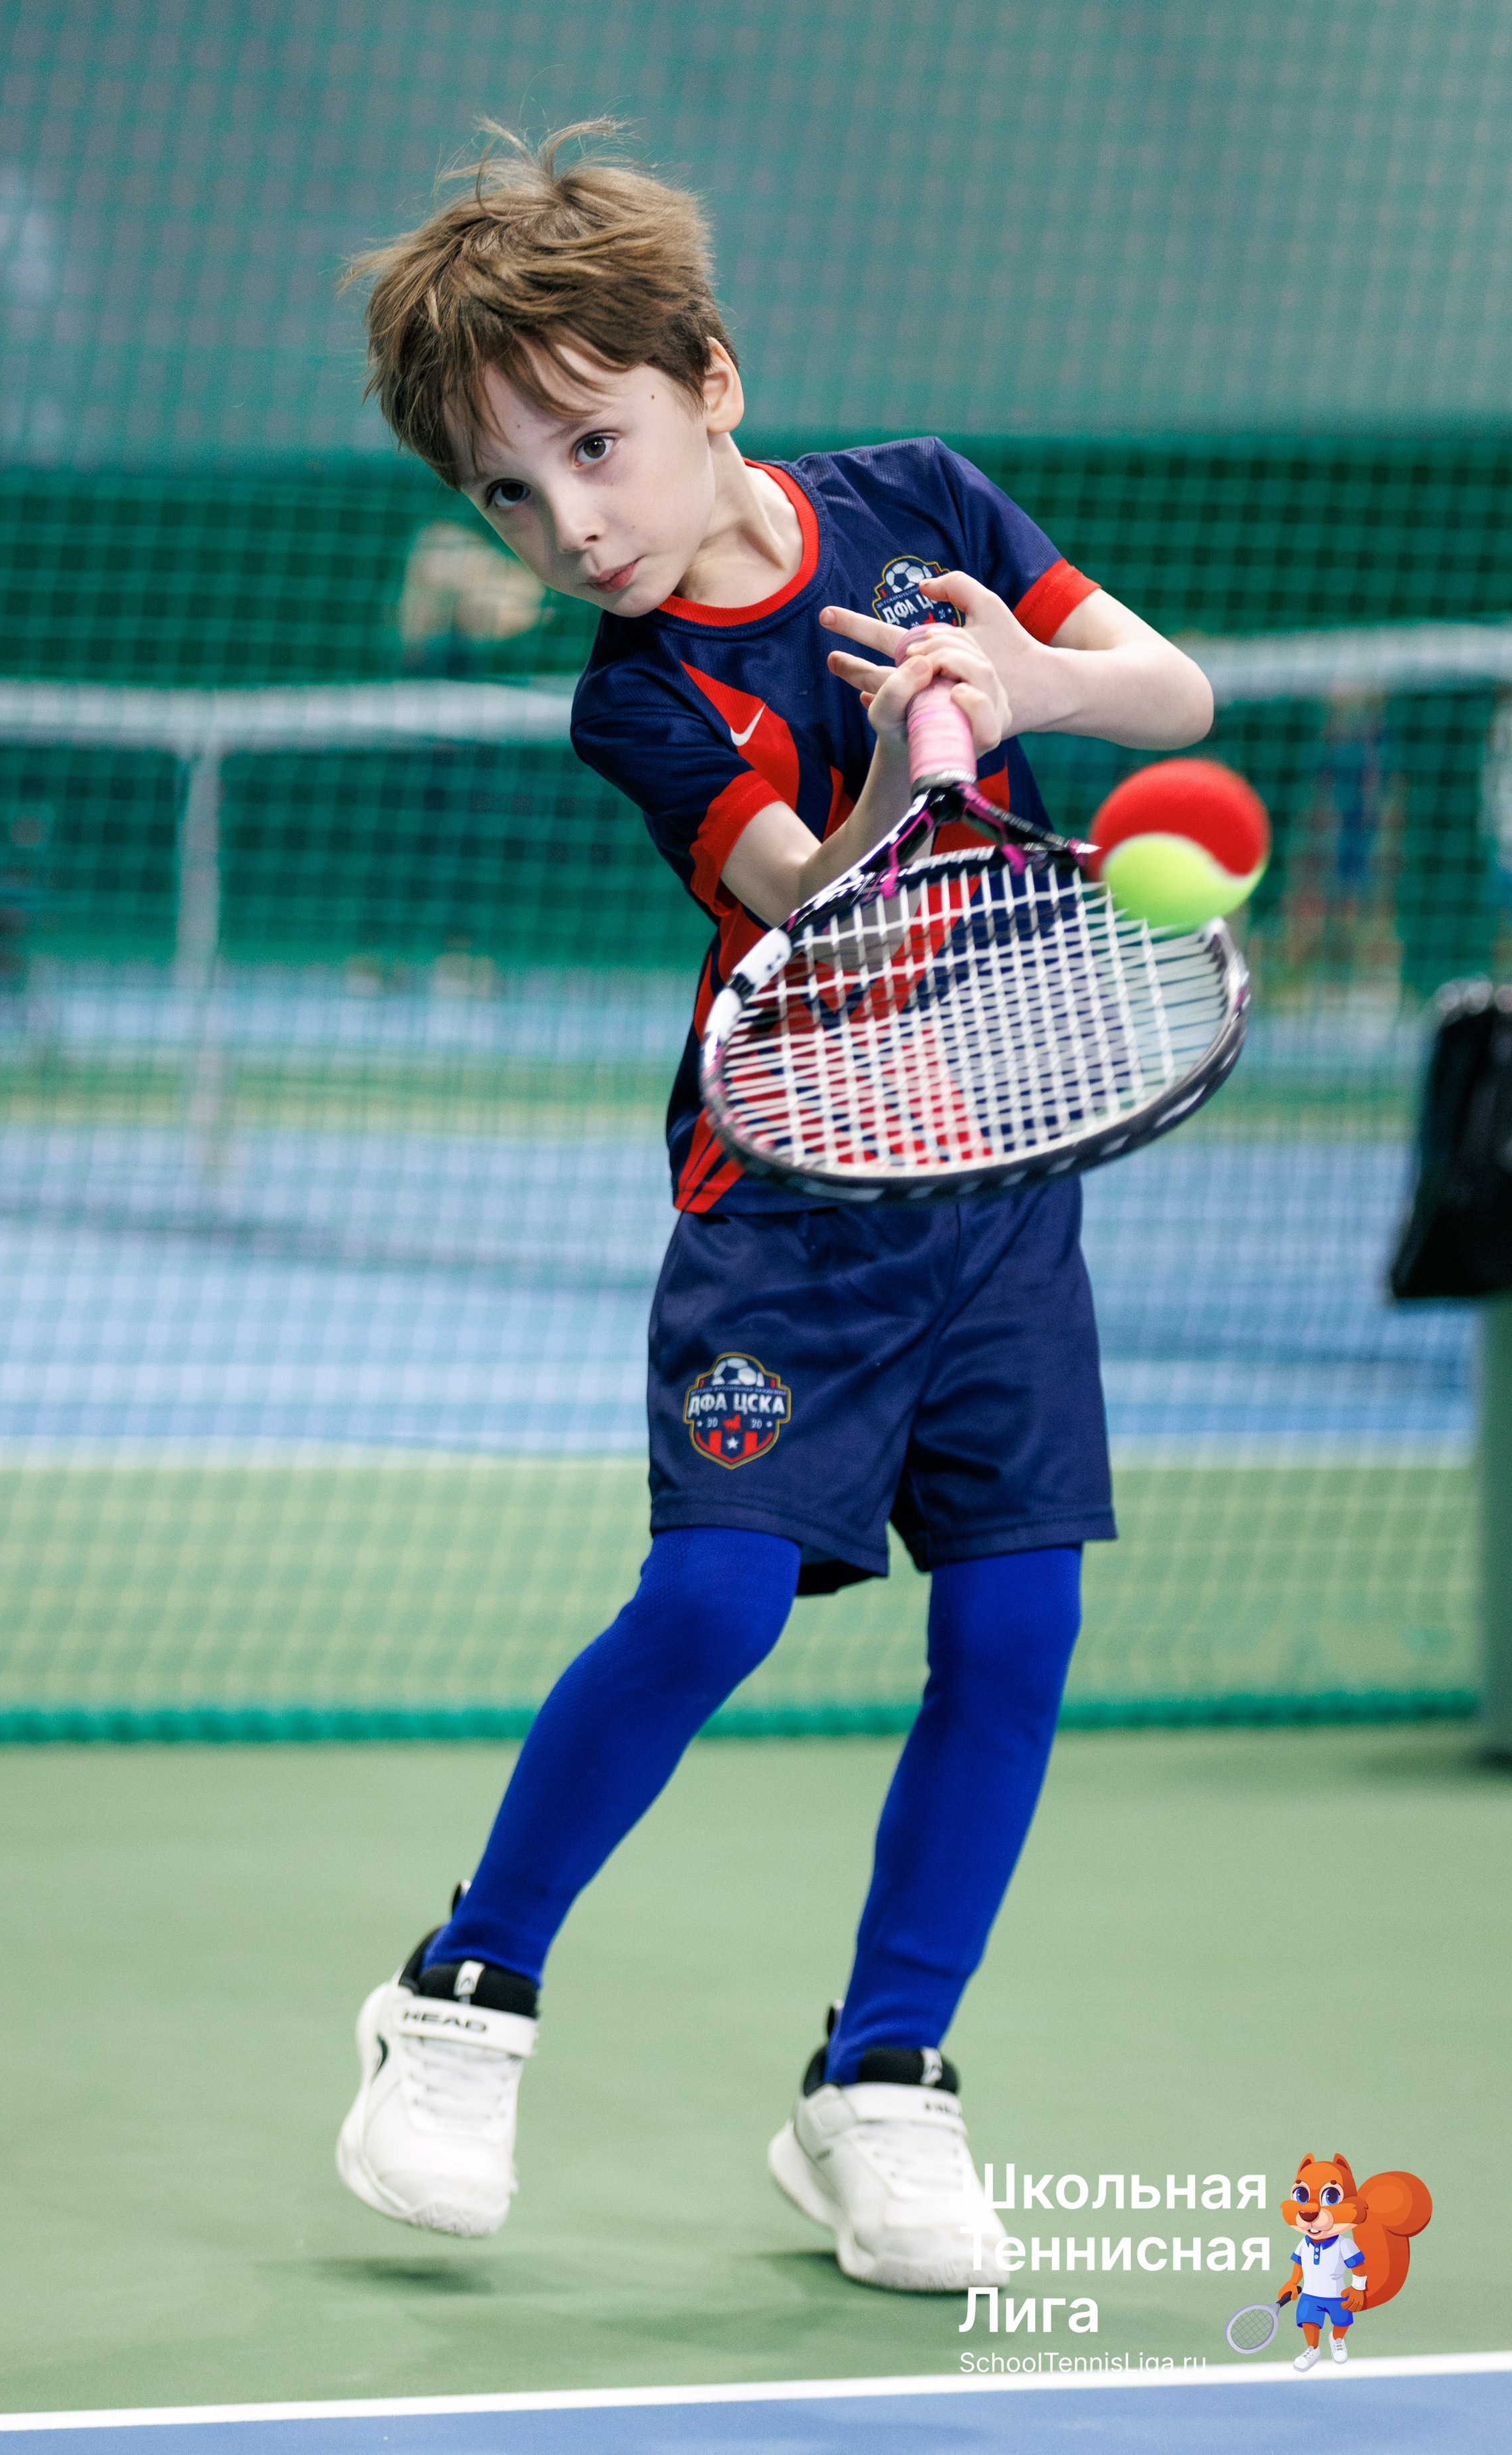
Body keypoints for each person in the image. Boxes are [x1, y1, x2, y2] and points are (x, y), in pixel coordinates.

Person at [333, 124, 1212, 2292]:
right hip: (793, 1200)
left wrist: (1030, 680)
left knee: (1016, 1634)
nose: (571, 527)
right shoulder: (637, 695)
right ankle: (462, 1996)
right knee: (716, 1603)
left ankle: (883, 2086)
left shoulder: (923, 499)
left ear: (710, 376)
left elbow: (1173, 695)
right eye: (509, 497)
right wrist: (911, 782)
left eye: (595, 449)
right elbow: (792, 900)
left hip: (999, 1179)